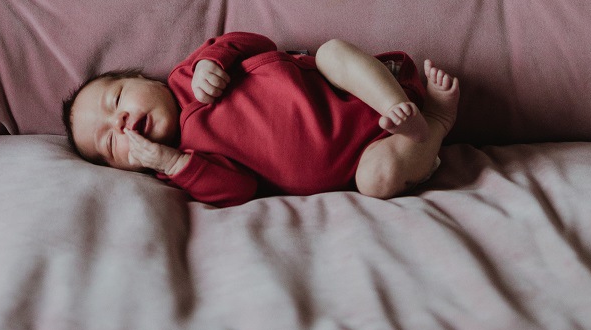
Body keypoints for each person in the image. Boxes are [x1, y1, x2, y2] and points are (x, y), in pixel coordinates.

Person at [63, 31, 459, 207]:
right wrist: (170, 162)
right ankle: (436, 121)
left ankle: (395, 104)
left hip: (352, 90)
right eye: (110, 142)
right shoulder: (186, 168)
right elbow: (240, 190)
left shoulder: (190, 72)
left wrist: (212, 61)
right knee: (377, 181)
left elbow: (258, 42)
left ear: (142, 79)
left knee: (331, 52)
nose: (120, 123)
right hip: (366, 156)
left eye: (116, 99)